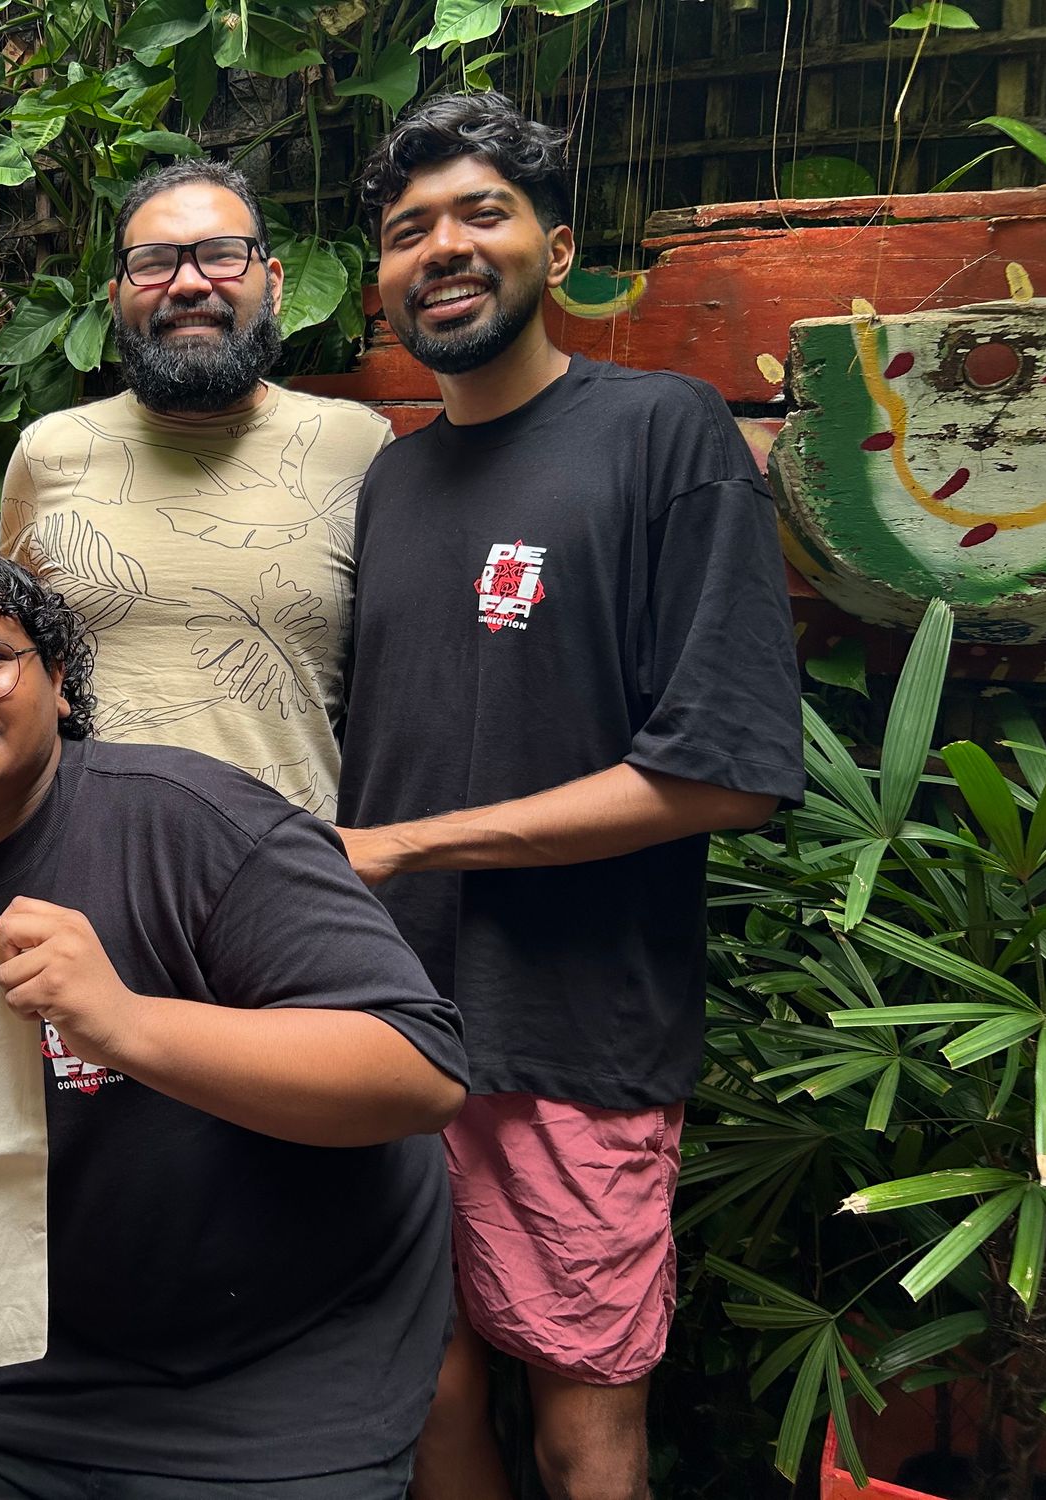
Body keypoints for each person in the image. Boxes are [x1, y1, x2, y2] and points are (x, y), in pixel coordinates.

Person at [335, 94, 804, 1500]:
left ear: (557, 246)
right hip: (387, 1024)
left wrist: (399, 846)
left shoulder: (664, 433)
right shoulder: (393, 479)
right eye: (407, 229)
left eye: (480, 213)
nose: (442, 248)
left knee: (581, 1436)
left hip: (574, 1028)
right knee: (429, 1409)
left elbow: (722, 769)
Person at [0, 544, 470, 1498]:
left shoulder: (191, 818)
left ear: (59, 682)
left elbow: (418, 1071)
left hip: (282, 1379)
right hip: (31, 1380)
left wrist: (125, 1024)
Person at [0, 160, 393, 818]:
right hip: (86, 856)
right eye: (153, 263)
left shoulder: (358, 448)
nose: (187, 283)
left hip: (291, 860)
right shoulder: (47, 452)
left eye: (222, 255)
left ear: (273, 285)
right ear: (116, 296)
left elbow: (396, 695)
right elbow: (15, 668)